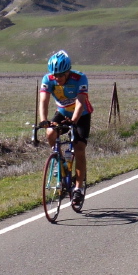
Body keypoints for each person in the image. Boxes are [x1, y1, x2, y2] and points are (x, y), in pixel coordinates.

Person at [38, 50, 92, 208]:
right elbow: (44, 101)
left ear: (68, 72)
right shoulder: (48, 79)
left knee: (79, 147)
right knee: (50, 132)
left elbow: (81, 103)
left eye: (61, 75)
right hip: (62, 112)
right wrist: (43, 121)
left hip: (81, 114)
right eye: (55, 75)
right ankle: (58, 161)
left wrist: (73, 121)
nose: (57, 78)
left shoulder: (80, 78)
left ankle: (78, 188)